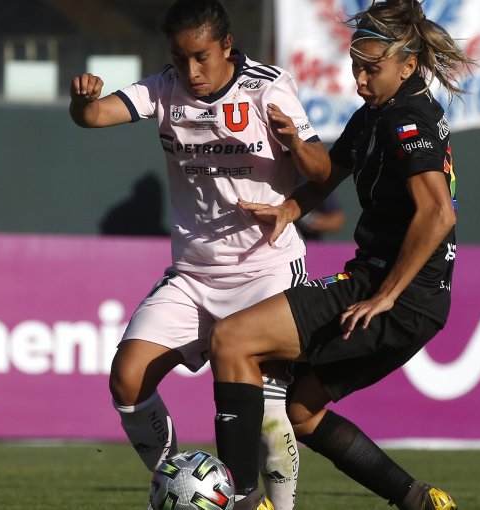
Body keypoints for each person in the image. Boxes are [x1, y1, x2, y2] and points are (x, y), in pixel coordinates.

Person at [207, 1, 471, 509]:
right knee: (303, 412)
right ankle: (419, 500)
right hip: (413, 302)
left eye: (372, 69)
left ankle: (240, 502)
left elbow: (438, 215)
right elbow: (330, 173)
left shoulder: (407, 119)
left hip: (391, 294)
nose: (359, 79)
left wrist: (386, 296)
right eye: (355, 65)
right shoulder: (379, 113)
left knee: (232, 339)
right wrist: (289, 208)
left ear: (408, 64)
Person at [69, 1, 331, 508]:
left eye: (201, 57)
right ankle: (188, 485)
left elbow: (321, 171)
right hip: (193, 275)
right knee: (127, 379)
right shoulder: (164, 87)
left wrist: (295, 143)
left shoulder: (267, 87)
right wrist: (83, 102)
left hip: (268, 269)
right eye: (179, 57)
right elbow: (95, 116)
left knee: (270, 412)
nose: (191, 71)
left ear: (226, 47)